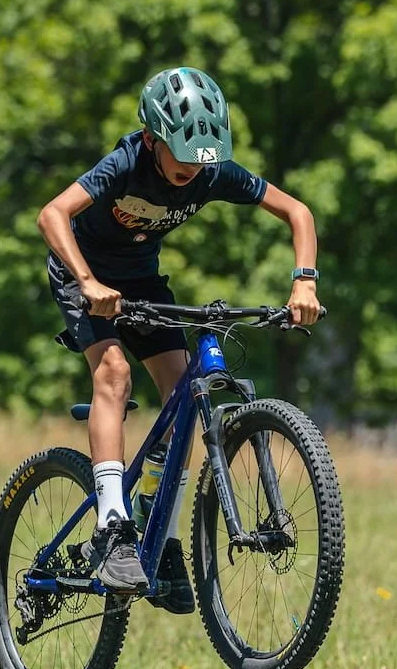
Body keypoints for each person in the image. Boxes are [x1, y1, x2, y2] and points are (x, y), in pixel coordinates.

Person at [36, 66, 322, 611]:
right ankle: (113, 528)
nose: (195, 170)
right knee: (114, 374)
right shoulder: (127, 161)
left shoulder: (211, 172)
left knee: (182, 389)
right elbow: (53, 215)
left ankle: (160, 533)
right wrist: (90, 283)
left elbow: (297, 212)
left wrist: (304, 280)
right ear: (152, 139)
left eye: (204, 158)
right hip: (82, 273)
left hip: (142, 283)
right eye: (184, 157)